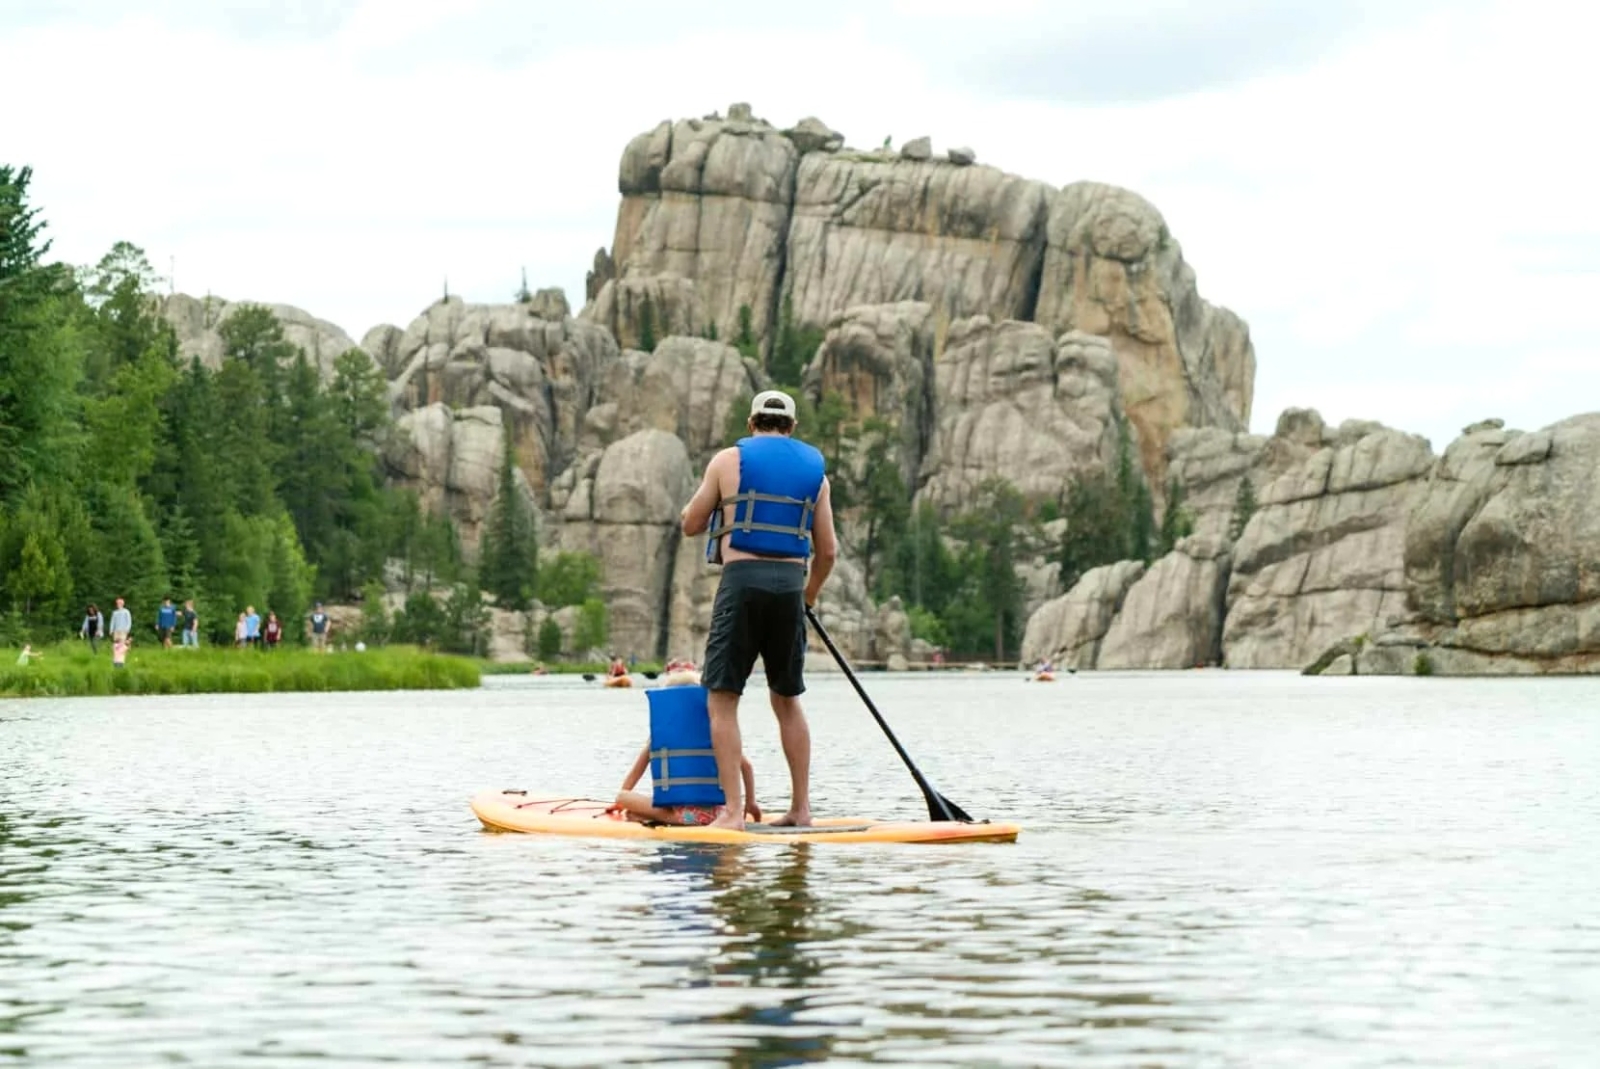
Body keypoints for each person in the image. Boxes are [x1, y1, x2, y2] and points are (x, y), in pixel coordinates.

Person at [678, 389, 837, 830]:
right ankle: (801, 810)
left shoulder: (727, 461)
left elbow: (691, 523)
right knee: (787, 699)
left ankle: (732, 813)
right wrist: (808, 597)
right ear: (792, 427)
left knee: (723, 697)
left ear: (752, 423)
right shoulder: (817, 477)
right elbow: (828, 552)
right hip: (790, 587)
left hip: (741, 583)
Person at [611, 686, 761, 827]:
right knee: (634, 812)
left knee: (622, 797)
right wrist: (750, 802)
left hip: (683, 816)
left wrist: (620, 802)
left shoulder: (661, 738)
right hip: (719, 814)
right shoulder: (718, 735)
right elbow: (747, 767)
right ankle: (644, 815)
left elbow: (636, 771)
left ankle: (656, 816)